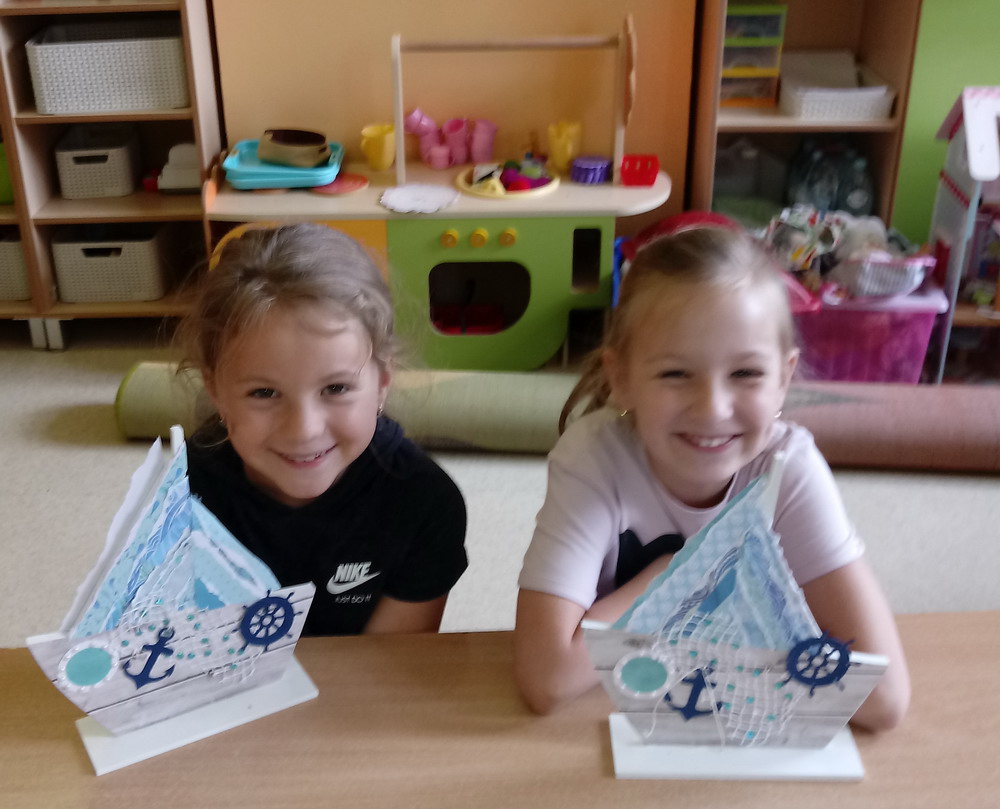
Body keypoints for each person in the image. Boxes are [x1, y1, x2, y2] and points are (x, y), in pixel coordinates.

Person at [514, 225, 910, 730]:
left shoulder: (789, 469)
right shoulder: (592, 458)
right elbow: (546, 678)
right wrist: (683, 571)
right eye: (676, 374)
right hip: (610, 719)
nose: (712, 409)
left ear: (784, 378)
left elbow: (883, 697)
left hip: (718, 722)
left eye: (746, 374)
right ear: (622, 378)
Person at [176, 223, 468, 636]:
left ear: (383, 381)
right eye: (264, 392)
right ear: (215, 391)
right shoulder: (183, 492)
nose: (304, 430)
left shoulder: (423, 503)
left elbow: (392, 662)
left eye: (336, 388)